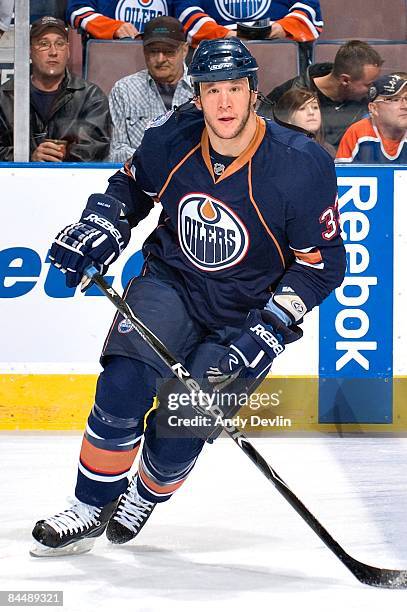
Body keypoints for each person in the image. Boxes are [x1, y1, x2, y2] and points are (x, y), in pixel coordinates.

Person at [31, 37, 346, 557]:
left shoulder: (301, 166)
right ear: (195, 97)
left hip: (245, 311)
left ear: (253, 93)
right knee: (124, 382)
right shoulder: (172, 138)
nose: (224, 103)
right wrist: (101, 223)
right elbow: (130, 189)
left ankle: (145, 494)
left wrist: (271, 326)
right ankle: (89, 506)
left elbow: (323, 264)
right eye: (211, 90)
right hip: (171, 284)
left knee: (183, 426)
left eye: (235, 89)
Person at [0, 15, 111, 162]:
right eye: (44, 44)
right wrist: (28, 157)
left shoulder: (91, 97)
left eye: (60, 44)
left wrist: (56, 158)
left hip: (72, 182)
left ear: (68, 51)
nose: (53, 52)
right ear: (29, 51)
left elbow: (96, 148)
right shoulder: (4, 96)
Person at [258, 40, 383, 151]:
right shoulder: (286, 96)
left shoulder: (368, 101)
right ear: (345, 80)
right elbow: (264, 139)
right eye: (368, 85)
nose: (372, 90)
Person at [109, 16, 192, 163]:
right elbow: (115, 152)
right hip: (139, 179)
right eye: (153, 52)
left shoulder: (201, 89)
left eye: (168, 52)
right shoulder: (124, 90)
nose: (160, 59)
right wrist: (155, 159)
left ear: (184, 50)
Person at [174, 0, 323, 47]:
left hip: (278, 45)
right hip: (220, 47)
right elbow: (186, 11)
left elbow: (308, 7)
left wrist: (282, 27)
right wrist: (225, 35)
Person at [335, 74, 407, 164]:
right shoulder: (358, 133)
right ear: (374, 108)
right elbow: (341, 175)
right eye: (395, 100)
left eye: (406, 99)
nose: (405, 106)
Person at [274, 87, 336, 157]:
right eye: (302, 108)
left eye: (315, 107)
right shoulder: (277, 150)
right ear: (287, 118)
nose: (311, 112)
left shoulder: (328, 150)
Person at [67, 0, 173, 40]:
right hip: (110, 60)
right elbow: (76, 11)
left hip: (162, 60)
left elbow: (187, 12)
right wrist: (113, 28)